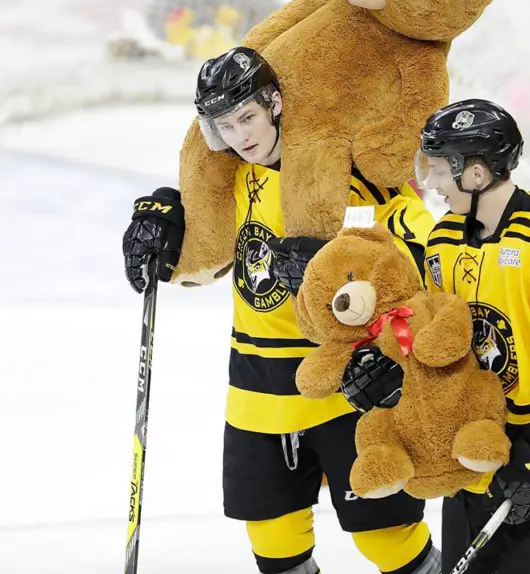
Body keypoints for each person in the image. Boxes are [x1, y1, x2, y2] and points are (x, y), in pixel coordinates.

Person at [121, 46, 441, 574]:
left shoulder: (342, 168)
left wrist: (344, 267)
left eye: (247, 117)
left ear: (274, 104)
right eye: (225, 125)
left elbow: (417, 247)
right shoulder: (233, 178)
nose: (240, 135)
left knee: (387, 539)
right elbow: (200, 257)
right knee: (276, 547)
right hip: (257, 389)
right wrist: (162, 222)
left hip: (347, 384)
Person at [342, 99, 530, 574]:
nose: (429, 183)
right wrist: (394, 369)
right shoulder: (443, 240)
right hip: (474, 458)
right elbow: (439, 343)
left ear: (475, 173)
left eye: (438, 169)